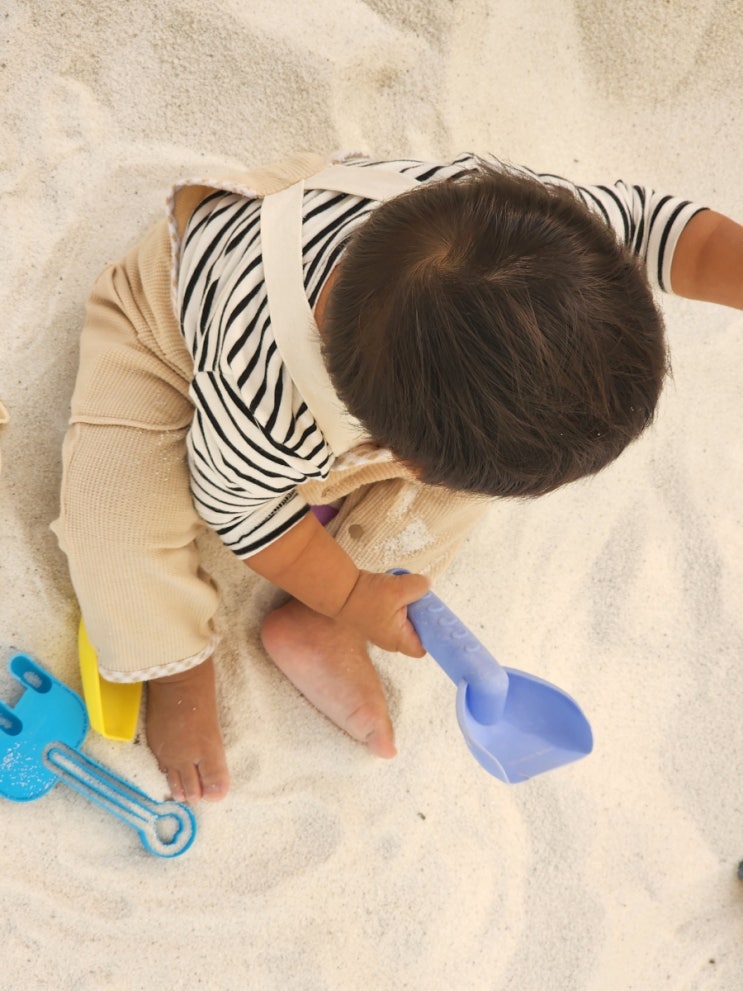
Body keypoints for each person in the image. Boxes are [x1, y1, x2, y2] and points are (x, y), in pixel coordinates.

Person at [52, 151, 743, 805]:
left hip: (364, 264)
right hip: (169, 325)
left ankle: (317, 623)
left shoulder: (531, 229)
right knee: (114, 524)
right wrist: (352, 593)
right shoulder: (262, 396)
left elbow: (671, 232)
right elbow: (238, 507)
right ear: (398, 458)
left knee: (483, 452)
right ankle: (177, 665)